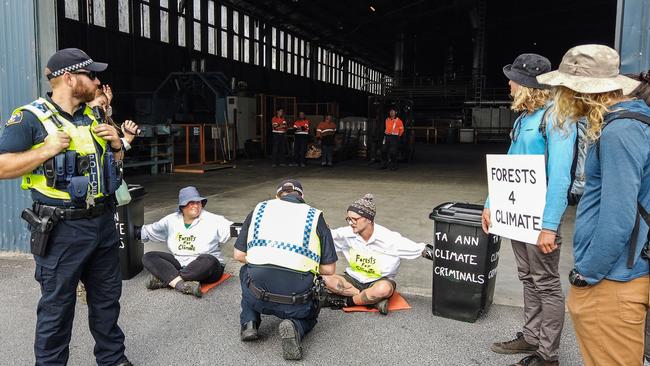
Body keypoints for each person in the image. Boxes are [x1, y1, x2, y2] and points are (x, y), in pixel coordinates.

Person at [0, 48, 132, 365]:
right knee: (57, 307)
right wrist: (45, 150)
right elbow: (3, 165)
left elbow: (112, 166)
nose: (98, 82)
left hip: (102, 223)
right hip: (61, 229)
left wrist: (117, 145)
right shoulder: (30, 118)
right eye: (92, 75)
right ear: (70, 78)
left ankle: (113, 359)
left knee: (107, 300)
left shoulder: (94, 116)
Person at [538, 44, 650, 366]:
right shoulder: (635, 121)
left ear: (580, 92)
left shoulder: (620, 132)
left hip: (612, 280)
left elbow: (618, 218)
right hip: (625, 272)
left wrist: (587, 272)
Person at [481, 53, 577, 366]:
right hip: (517, 216)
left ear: (526, 85)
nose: (508, 83)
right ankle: (531, 336)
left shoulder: (557, 118)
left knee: (546, 283)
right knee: (528, 277)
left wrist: (549, 225)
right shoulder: (524, 118)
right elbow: (509, 165)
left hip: (539, 220)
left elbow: (561, 177)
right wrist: (490, 204)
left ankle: (547, 355)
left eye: (512, 79)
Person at [233, 179, 338, 360]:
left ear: (277, 196)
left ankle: (249, 322)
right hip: (296, 302)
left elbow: (238, 255)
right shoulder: (314, 216)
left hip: (258, 296)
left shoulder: (259, 209)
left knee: (246, 271)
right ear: (302, 197)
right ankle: (296, 326)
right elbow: (329, 268)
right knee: (311, 312)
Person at [322, 193, 433, 315]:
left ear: (369, 219)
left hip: (379, 281)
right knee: (325, 278)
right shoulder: (347, 234)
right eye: (349, 219)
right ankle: (371, 301)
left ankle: (345, 301)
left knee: (383, 290)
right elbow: (326, 236)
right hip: (352, 279)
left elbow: (420, 249)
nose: (351, 223)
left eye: (355, 219)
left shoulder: (388, 238)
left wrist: (446, 256)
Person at [140, 186, 233, 298]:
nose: (196, 205)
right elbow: (150, 231)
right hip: (180, 263)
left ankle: (165, 278)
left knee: (209, 260)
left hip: (207, 267)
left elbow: (233, 229)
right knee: (149, 256)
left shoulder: (213, 219)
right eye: (191, 202)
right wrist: (128, 231)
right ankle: (181, 285)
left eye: (198, 202)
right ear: (182, 207)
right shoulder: (171, 220)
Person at [89, 87, 140, 151]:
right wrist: (126, 140)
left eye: (106, 107)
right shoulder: (88, 126)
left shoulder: (95, 123)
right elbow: (115, 156)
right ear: (87, 101)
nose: (104, 110)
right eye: (101, 104)